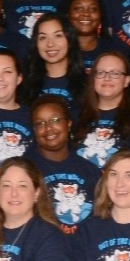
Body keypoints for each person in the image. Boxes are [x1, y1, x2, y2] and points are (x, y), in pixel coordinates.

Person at [28, 95, 97, 234]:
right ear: (34, 130)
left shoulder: (89, 170)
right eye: (40, 123)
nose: (48, 128)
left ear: (69, 124)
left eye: (55, 120)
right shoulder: (24, 169)